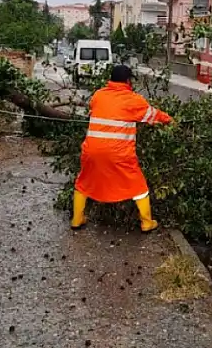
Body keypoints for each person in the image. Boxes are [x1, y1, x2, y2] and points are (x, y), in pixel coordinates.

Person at [71, 65, 173, 233]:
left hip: (91, 151)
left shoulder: (98, 95)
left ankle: (76, 219)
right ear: (128, 80)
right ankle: (147, 223)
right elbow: (154, 115)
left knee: (83, 182)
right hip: (119, 154)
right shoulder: (133, 100)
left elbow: (96, 109)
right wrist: (170, 121)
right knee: (138, 186)